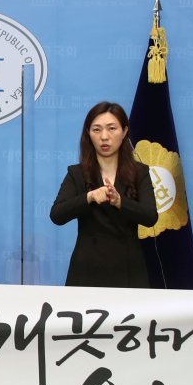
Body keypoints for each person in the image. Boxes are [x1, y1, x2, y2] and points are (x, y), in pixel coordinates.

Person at [49, 102, 158, 287]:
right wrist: (89, 197)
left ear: (124, 132)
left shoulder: (140, 172)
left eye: (112, 128)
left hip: (129, 268)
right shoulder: (77, 173)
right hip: (87, 269)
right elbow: (57, 215)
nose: (104, 137)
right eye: (97, 130)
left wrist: (120, 202)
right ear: (88, 133)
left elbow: (150, 217)